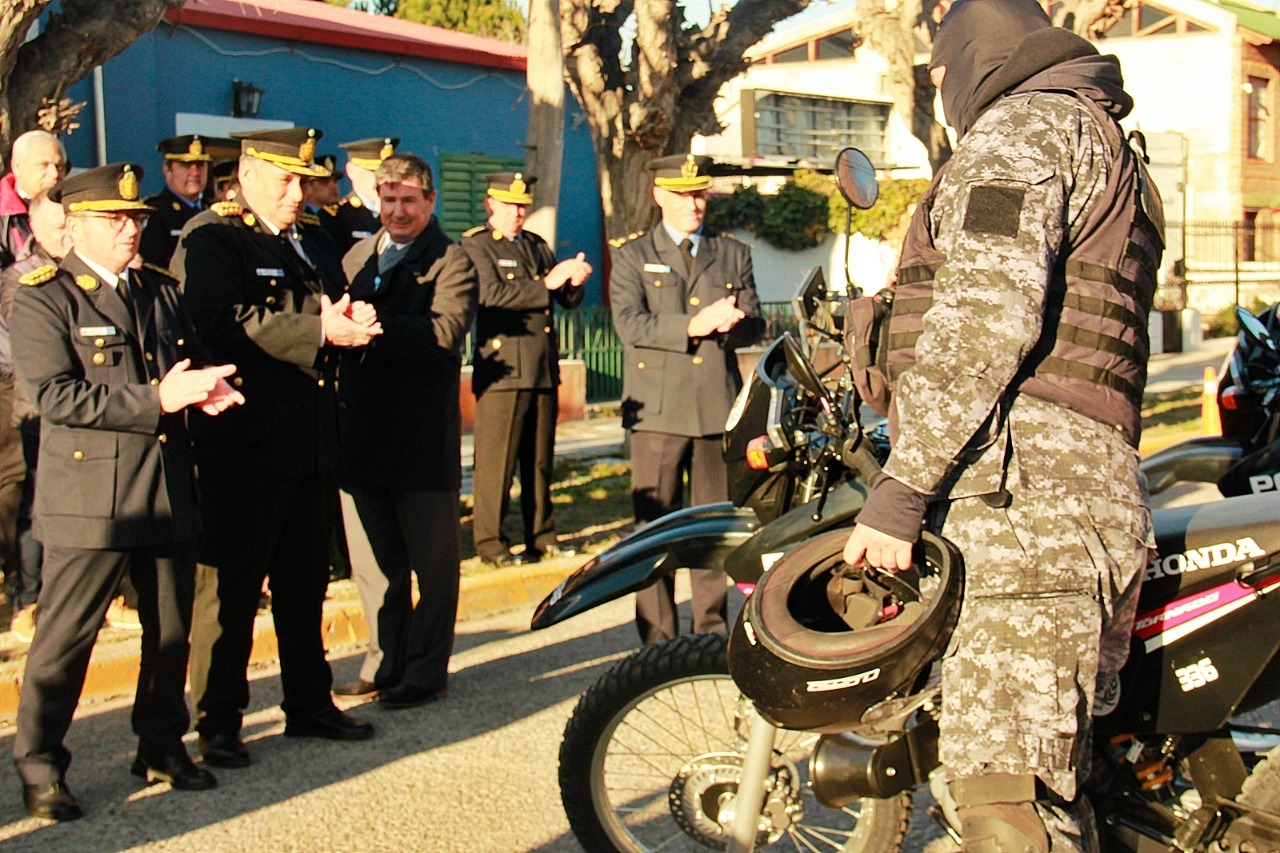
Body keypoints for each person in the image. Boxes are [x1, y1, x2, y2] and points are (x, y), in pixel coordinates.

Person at [841, 2, 1162, 849]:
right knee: (1040, 792)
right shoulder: (1099, 137)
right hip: (1073, 503)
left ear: (980, 52)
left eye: (942, 69)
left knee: (1005, 811)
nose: (939, 85)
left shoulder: (1024, 128)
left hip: (1027, 508)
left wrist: (901, 491)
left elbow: (984, 321)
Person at [10, 163, 245, 819]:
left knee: (169, 634)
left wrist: (208, 387)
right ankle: (40, 766)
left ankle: (162, 745)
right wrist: (158, 399)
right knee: (64, 642)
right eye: (114, 219)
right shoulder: (45, 297)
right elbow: (55, 396)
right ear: (75, 226)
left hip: (165, 486)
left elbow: (186, 362)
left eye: (136, 218)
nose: (130, 230)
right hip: (93, 499)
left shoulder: (158, 289)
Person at [173, 127, 382, 771]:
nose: (298, 193)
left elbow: (328, 307)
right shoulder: (215, 237)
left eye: (303, 181)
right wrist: (318, 330)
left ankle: (309, 701)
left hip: (309, 439)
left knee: (304, 582)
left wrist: (349, 322)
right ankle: (217, 720)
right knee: (231, 590)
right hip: (244, 444)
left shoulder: (310, 239)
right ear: (247, 175)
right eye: (286, 180)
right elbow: (218, 321)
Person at [333, 153, 478, 707]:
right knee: (375, 567)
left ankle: (425, 670)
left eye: (409, 201)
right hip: (361, 432)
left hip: (419, 438)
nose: (398, 211)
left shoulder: (451, 261)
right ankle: (383, 662)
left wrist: (373, 328)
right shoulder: (356, 256)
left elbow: (444, 333)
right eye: (389, 199)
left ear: (430, 201)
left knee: (432, 565)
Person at [609, 153, 764, 646]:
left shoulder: (731, 252)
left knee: (711, 531)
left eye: (699, 194)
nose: (693, 204)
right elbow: (629, 324)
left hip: (716, 406)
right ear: (658, 195)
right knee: (653, 531)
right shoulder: (633, 254)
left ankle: (710, 633)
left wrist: (738, 323)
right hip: (657, 410)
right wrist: (693, 326)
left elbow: (755, 322)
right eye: (682, 195)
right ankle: (657, 641)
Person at [461, 172, 591, 568]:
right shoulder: (476, 245)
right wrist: (547, 284)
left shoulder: (535, 245)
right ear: (490, 205)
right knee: (496, 463)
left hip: (540, 366)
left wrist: (573, 280)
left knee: (538, 461)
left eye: (522, 206)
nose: (517, 213)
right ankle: (491, 543)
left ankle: (542, 536)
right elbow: (490, 294)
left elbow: (563, 299)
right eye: (509, 206)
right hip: (503, 370)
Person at [0, 192, 72, 643]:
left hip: (80, 404)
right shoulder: (21, 276)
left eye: (70, 223)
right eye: (58, 226)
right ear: (36, 228)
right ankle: (28, 600)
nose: (67, 234)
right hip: (36, 406)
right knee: (33, 505)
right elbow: (26, 335)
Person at [138, 135, 213, 266]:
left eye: (200, 165)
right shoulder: (155, 213)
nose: (195, 173)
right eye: (186, 165)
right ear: (167, 170)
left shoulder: (214, 210)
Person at [0, 130, 68, 269]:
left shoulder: (77, 207)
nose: (54, 174)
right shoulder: (4, 214)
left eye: (59, 166)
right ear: (17, 167)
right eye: (44, 165)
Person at [319, 137, 397, 255]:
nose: (382, 180)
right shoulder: (335, 217)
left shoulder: (403, 213)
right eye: (373, 172)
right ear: (351, 171)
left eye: (388, 173)